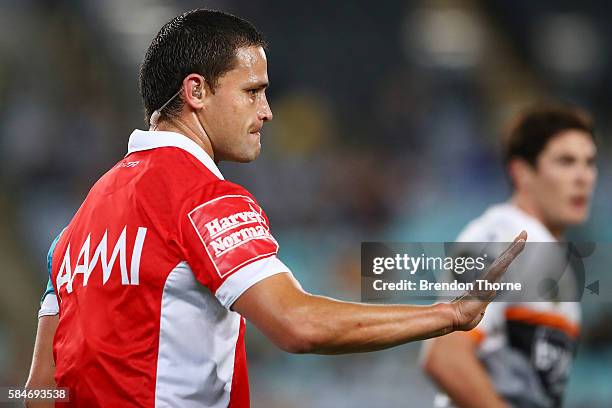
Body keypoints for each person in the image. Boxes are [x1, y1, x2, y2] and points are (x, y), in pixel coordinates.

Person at [24, 9, 526, 408]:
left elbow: (41, 389)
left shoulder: (75, 230)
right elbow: (297, 325)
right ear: (196, 91)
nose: (266, 111)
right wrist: (448, 314)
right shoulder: (202, 196)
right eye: (252, 92)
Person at [421, 105, 597, 408]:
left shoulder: (552, 256)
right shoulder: (500, 237)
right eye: (566, 162)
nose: (583, 177)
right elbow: (445, 357)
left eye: (590, 162)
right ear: (522, 173)